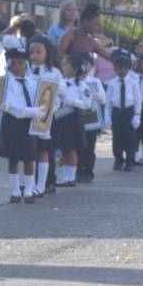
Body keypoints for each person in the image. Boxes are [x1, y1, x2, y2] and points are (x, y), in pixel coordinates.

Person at [0, 48, 41, 203]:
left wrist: (41, 110)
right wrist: (30, 111)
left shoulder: (32, 83)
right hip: (12, 121)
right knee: (12, 157)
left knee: (29, 157)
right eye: (14, 64)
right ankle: (15, 190)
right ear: (9, 65)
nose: (18, 67)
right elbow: (9, 105)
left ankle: (28, 190)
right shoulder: (6, 82)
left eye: (21, 63)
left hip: (28, 123)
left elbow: (40, 100)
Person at [29, 36, 64, 197]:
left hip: (48, 116)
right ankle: (31, 182)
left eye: (39, 52)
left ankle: (43, 184)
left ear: (47, 53)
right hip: (29, 115)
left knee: (44, 150)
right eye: (31, 52)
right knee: (31, 151)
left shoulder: (54, 72)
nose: (34, 55)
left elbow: (62, 92)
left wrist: (52, 102)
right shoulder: (26, 69)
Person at [52, 53, 93, 187]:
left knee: (71, 148)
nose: (63, 67)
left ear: (74, 69)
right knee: (63, 147)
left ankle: (71, 177)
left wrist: (71, 101)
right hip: (60, 116)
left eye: (66, 65)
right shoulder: (60, 82)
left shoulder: (82, 85)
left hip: (72, 117)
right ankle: (65, 176)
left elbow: (87, 104)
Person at [107, 51, 141, 171]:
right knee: (117, 138)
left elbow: (137, 101)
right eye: (119, 68)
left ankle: (130, 161)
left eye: (124, 68)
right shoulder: (111, 84)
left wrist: (137, 115)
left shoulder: (133, 83)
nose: (121, 71)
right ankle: (118, 160)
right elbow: (108, 103)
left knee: (130, 138)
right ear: (115, 69)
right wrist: (107, 117)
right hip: (117, 111)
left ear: (129, 69)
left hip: (129, 112)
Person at [77, 53, 108, 183]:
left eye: (87, 64)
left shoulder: (95, 81)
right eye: (82, 64)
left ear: (91, 66)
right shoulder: (75, 80)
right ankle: (77, 170)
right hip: (77, 119)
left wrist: (92, 92)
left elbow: (103, 98)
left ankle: (88, 171)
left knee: (90, 146)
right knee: (78, 146)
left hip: (92, 118)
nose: (84, 67)